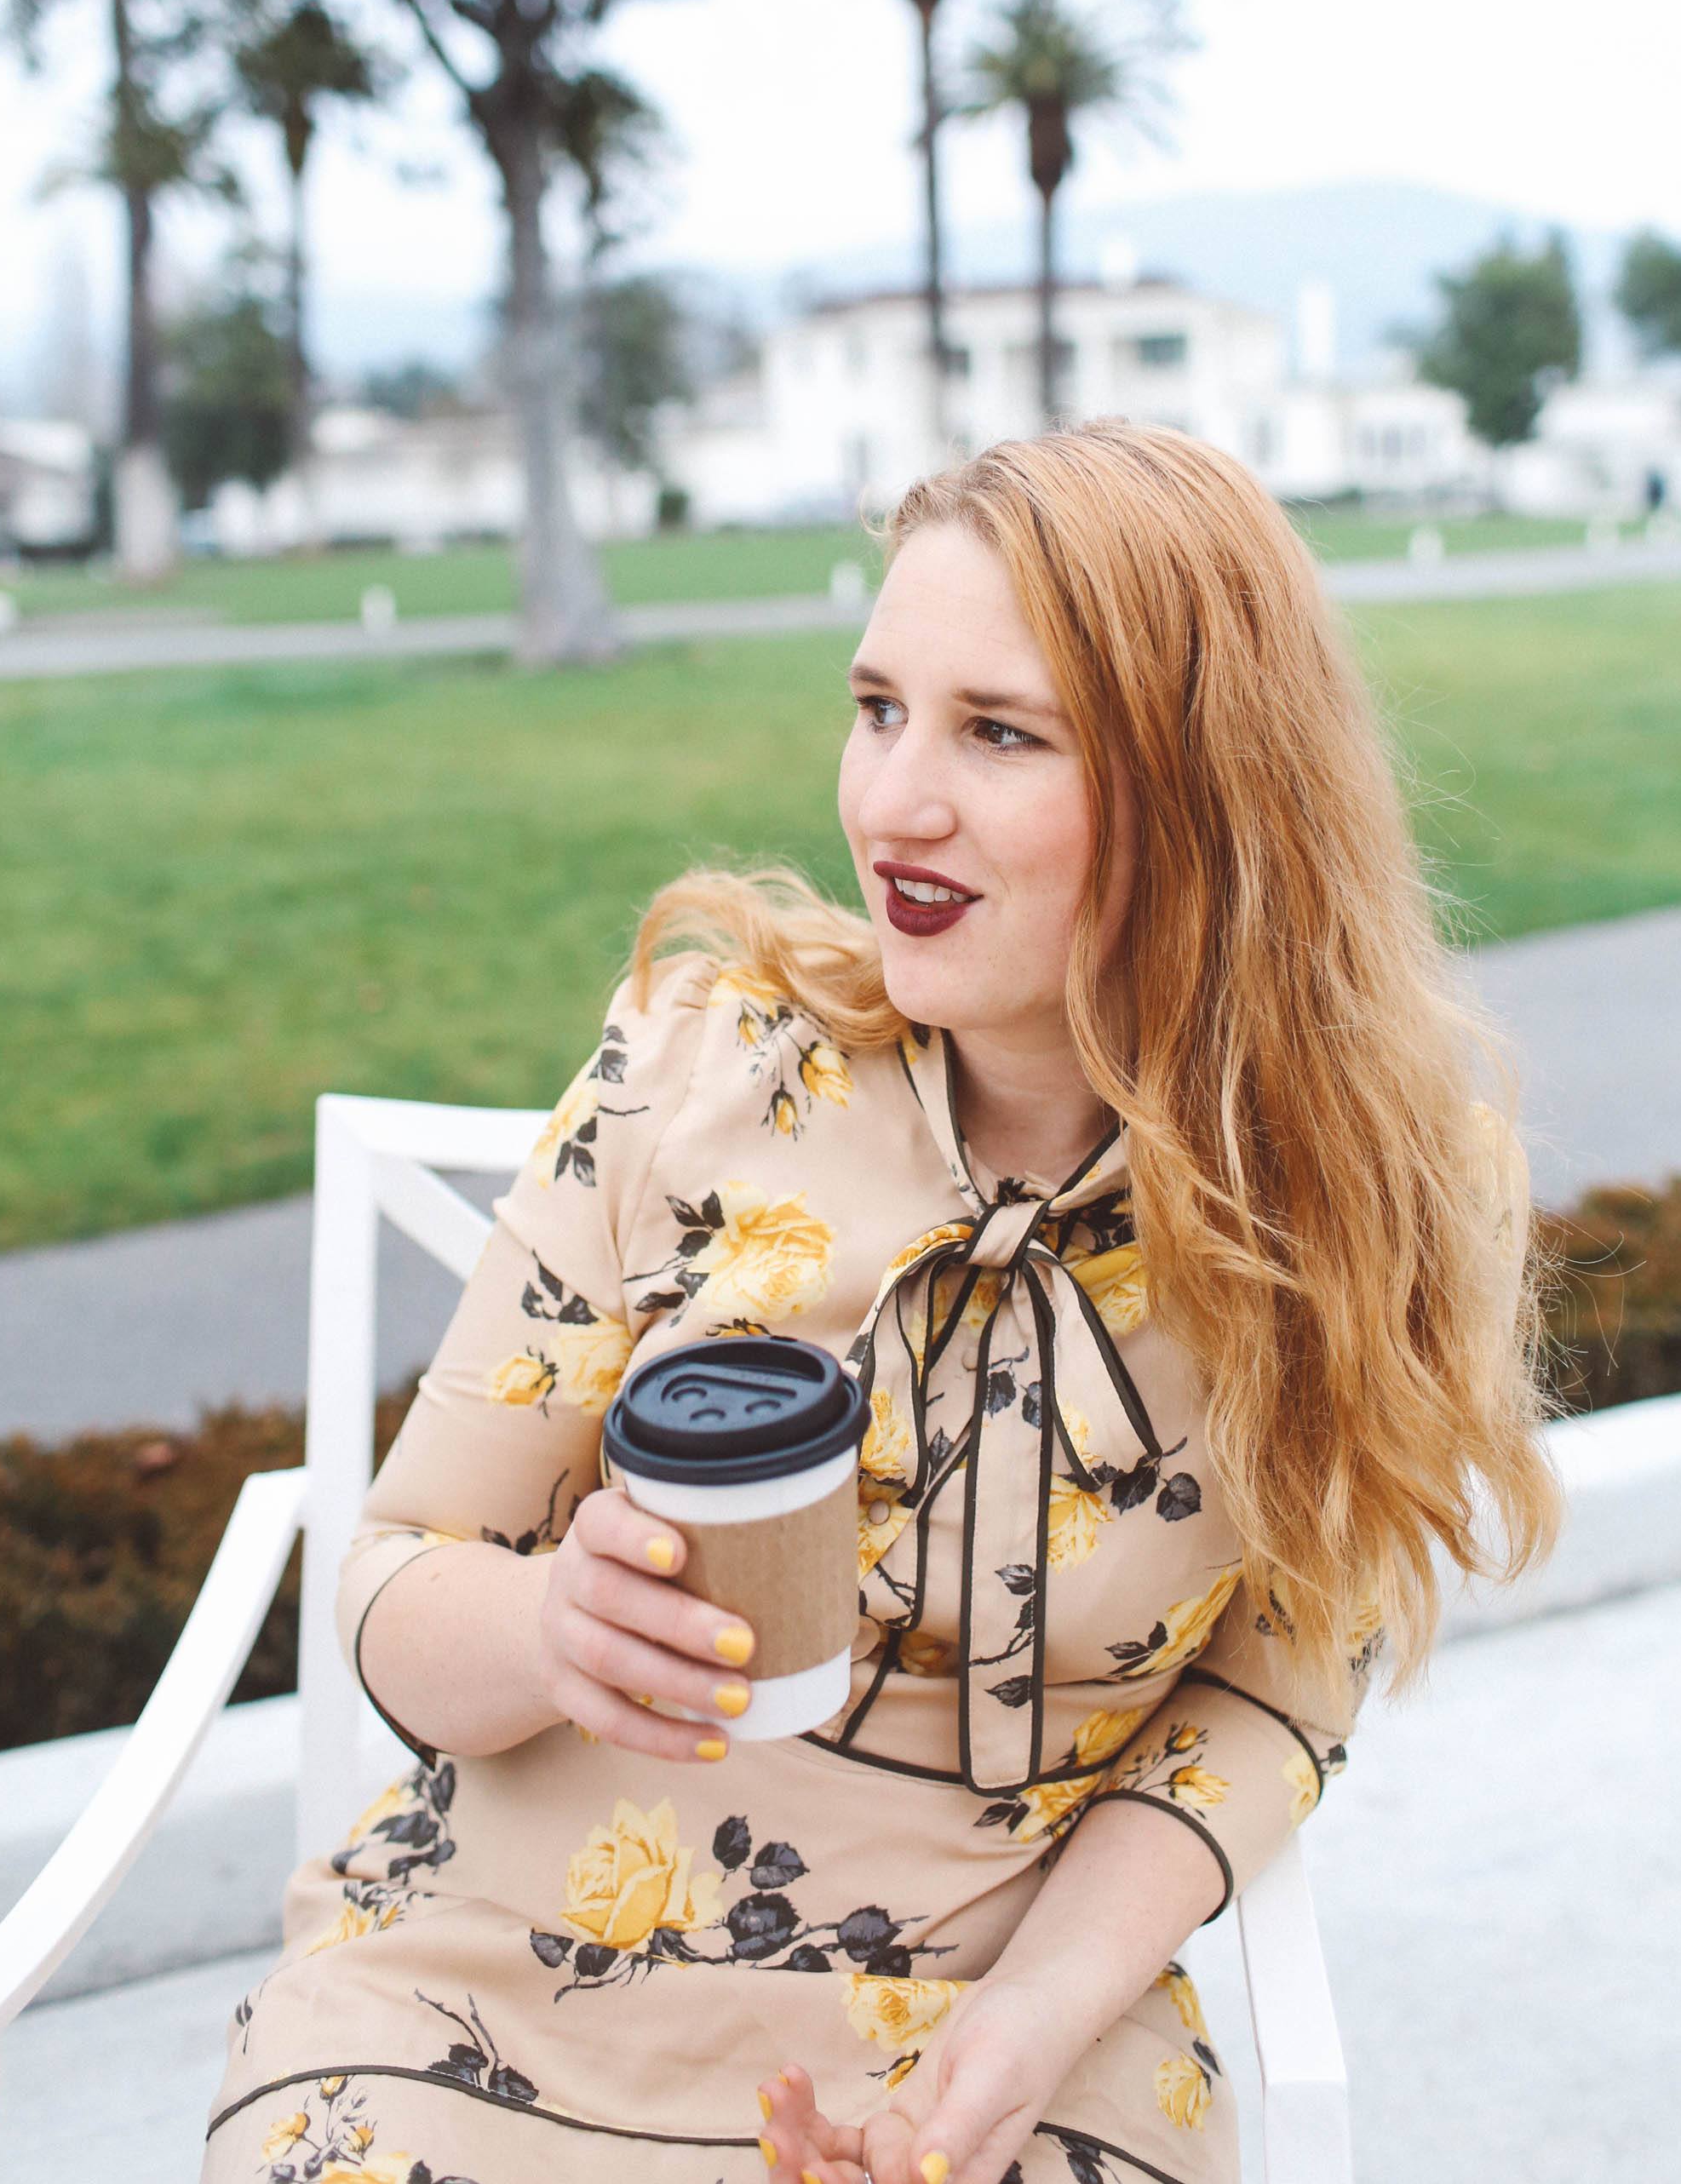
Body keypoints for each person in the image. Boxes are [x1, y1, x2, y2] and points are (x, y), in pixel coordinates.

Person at [202, 422, 1558, 2184]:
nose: (891, 804)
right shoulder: (698, 1067)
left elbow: (1274, 1702)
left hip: (993, 2006)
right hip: (497, 1983)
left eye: (999, 733)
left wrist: (1032, 2026)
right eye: (877, 708)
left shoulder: (1383, 1197)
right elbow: (397, 1572)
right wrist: (551, 1629)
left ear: (1209, 785)